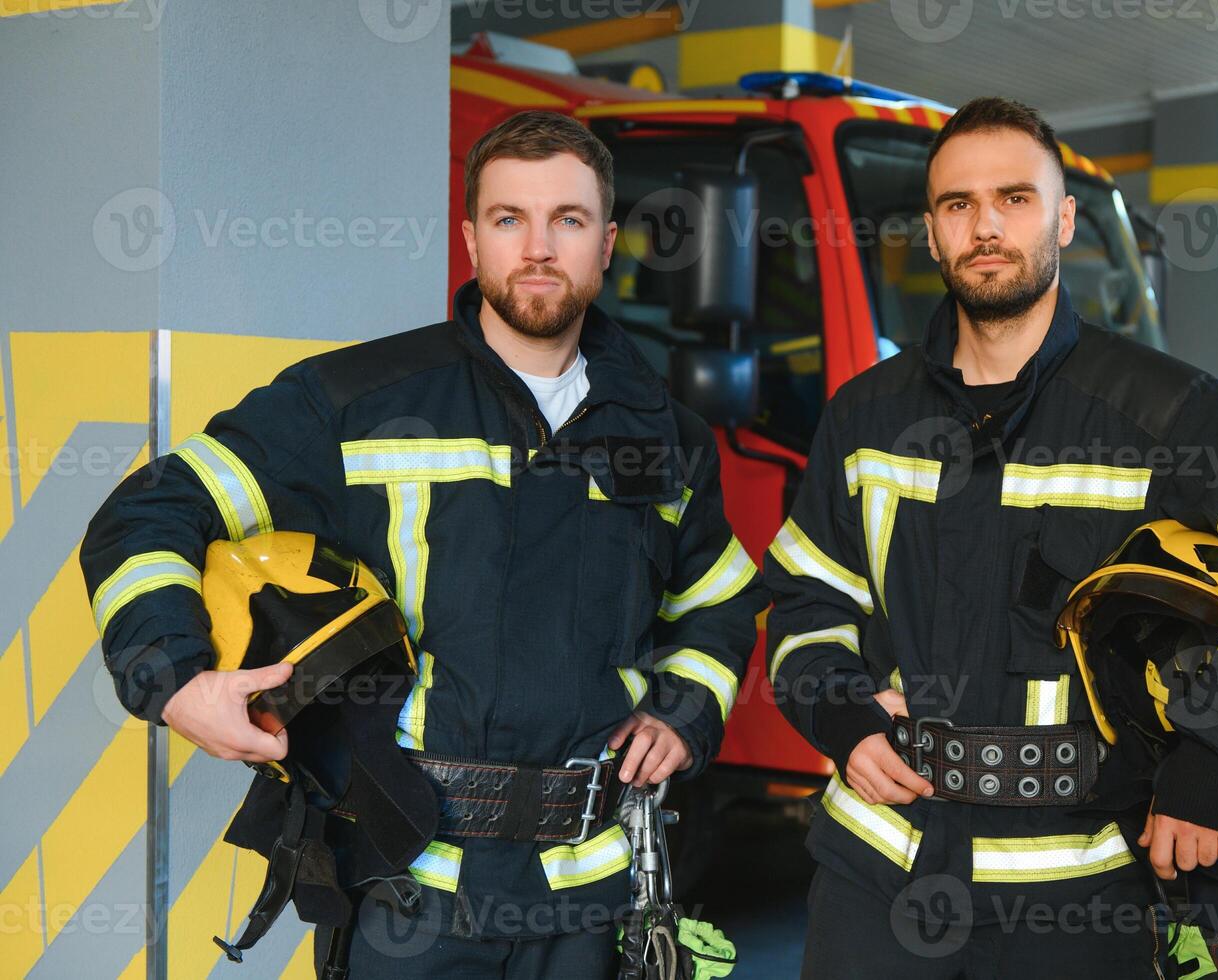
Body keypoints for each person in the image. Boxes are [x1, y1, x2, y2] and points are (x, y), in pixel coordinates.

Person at [80, 109, 767, 978]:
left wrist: (684, 709)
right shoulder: (355, 400)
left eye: (569, 219)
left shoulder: (667, 436)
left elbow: (716, 601)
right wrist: (174, 680)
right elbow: (150, 510)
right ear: (471, 239)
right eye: (509, 218)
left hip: (592, 898)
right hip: (410, 888)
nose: (539, 246)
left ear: (606, 244)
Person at [763, 96, 1218, 978]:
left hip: (1079, 895)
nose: (985, 225)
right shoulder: (864, 415)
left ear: (1062, 219)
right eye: (957, 205)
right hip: (878, 874)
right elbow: (804, 594)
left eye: (1014, 199)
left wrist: (1217, 754)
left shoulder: (1168, 412)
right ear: (933, 234)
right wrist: (839, 713)